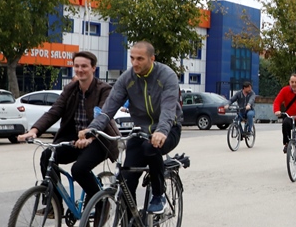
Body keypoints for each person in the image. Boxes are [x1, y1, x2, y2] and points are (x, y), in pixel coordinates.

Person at [83, 41, 182, 215]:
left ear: (152, 59)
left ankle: (159, 195)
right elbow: (109, 109)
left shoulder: (167, 76)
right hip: (141, 131)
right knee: (126, 182)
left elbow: (168, 108)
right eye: (132, 58)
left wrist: (161, 131)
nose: (134, 63)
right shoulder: (127, 79)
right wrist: (92, 130)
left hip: (168, 129)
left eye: (140, 59)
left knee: (151, 147)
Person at [18, 51, 119, 207]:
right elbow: (54, 111)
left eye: (84, 66)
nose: (80, 69)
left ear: (93, 68)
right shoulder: (70, 89)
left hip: (99, 140)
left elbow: (103, 116)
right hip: (75, 140)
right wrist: (34, 130)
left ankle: (100, 204)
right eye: (76, 66)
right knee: (47, 156)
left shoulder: (104, 90)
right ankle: (54, 204)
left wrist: (89, 136)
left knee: (78, 169)